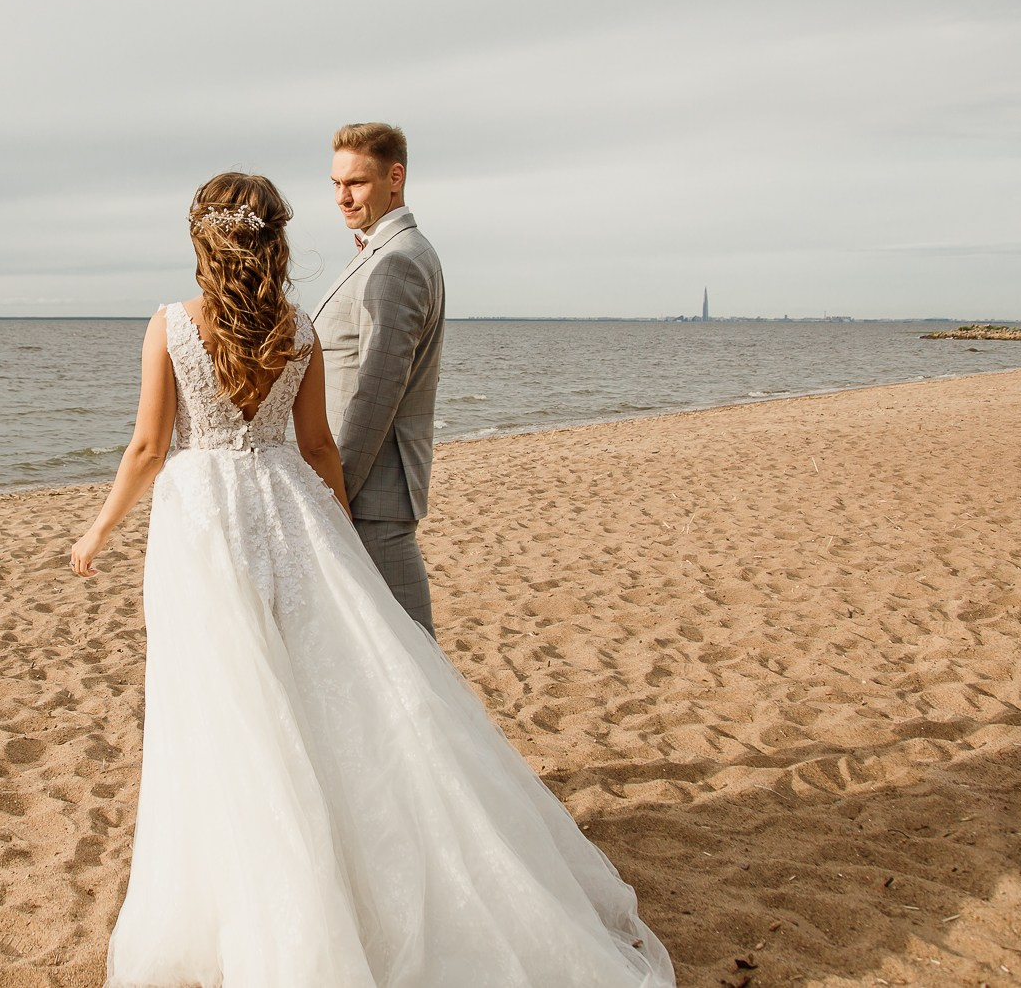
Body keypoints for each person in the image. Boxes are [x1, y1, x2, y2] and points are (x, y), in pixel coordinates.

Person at [70, 172, 672, 988]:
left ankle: (255, 890)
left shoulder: (170, 325)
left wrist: (98, 526)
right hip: (287, 505)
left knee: (225, 700)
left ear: (201, 240)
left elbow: (148, 447)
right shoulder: (297, 328)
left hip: (204, 517)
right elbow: (317, 445)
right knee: (319, 689)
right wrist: (337, 529)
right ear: (273, 238)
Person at [314, 122, 446, 634]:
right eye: (336, 184)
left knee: (412, 650)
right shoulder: (382, 253)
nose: (343, 198)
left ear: (396, 177)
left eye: (357, 183)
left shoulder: (397, 262)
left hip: (370, 494)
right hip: (367, 491)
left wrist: (336, 491)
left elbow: (377, 389)